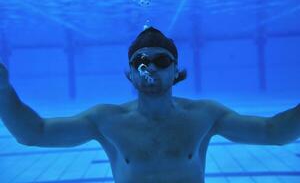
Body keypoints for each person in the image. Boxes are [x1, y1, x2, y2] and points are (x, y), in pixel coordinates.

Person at [0, 27, 299, 183]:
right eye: (140, 61)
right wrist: (2, 88)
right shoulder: (105, 120)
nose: (150, 67)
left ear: (175, 69)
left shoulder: (204, 116)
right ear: (130, 72)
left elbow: (273, 132)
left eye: (160, 60)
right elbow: (34, 133)